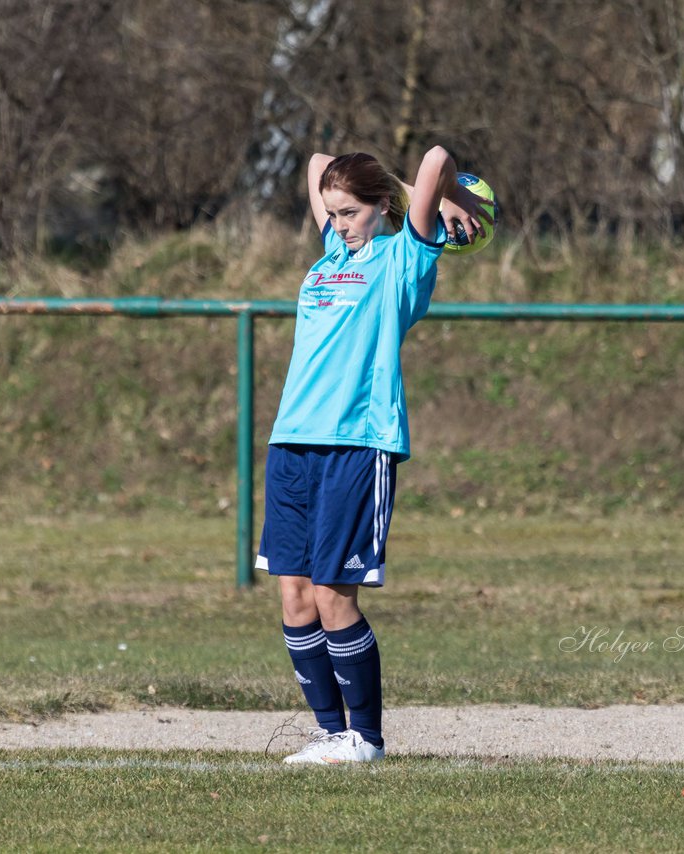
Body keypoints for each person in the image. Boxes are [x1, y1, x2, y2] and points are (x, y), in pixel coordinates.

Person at [257, 146, 491, 764]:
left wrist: (445, 199)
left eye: (351, 213)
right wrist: (370, 192)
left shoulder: (402, 259)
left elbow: (438, 155)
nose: (337, 223)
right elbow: (318, 159)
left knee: (335, 594)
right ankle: (331, 733)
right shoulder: (336, 252)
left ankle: (366, 738)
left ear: (384, 208)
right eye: (332, 213)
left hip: (358, 445)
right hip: (293, 442)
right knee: (295, 596)